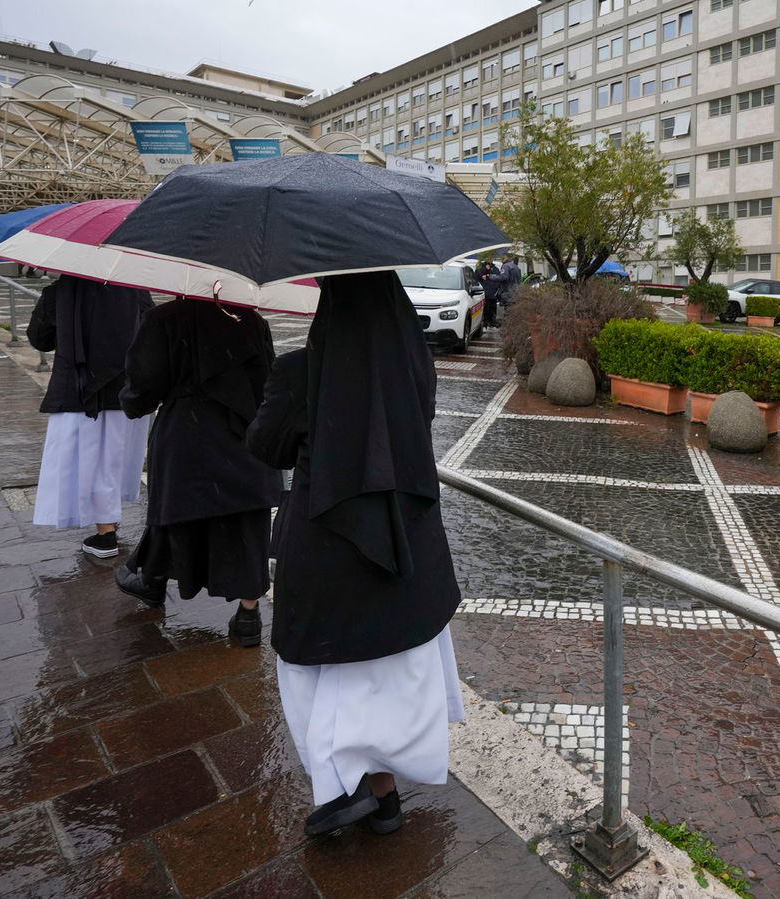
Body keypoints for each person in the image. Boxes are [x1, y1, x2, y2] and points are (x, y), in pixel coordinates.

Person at [246, 271, 463, 838]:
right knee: (388, 667)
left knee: (323, 664)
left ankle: (347, 787)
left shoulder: (300, 372)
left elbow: (265, 447)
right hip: (406, 543)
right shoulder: (416, 368)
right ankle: (383, 799)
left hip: (326, 546)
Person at [112, 299, 281, 645]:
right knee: (246, 522)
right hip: (243, 434)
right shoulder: (250, 320)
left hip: (186, 436)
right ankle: (249, 614)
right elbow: (267, 380)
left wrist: (132, 402)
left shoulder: (162, 319)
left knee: (173, 510)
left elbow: (142, 387)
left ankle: (153, 577)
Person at [26, 276, 153, 558]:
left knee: (88, 461)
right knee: (114, 460)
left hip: (78, 391)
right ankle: (109, 520)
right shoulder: (135, 288)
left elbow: (40, 339)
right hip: (125, 390)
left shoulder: (60, 291)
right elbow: (150, 333)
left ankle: (106, 534)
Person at [475, 259, 502, 328]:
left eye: (491, 258)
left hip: (493, 294)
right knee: (485, 309)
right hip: (484, 295)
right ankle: (485, 322)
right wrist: (485, 269)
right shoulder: (481, 268)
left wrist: (496, 289)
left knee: (493, 309)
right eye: (489, 258)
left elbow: (499, 279)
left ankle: (492, 322)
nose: (491, 259)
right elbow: (476, 277)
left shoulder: (496, 269)